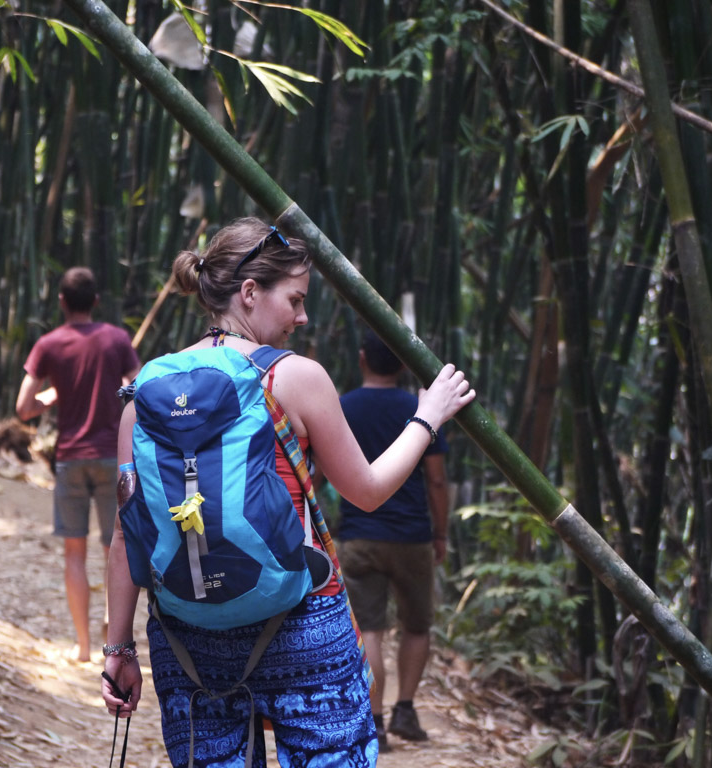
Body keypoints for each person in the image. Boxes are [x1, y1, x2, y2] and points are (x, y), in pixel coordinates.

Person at [101, 217, 474, 767]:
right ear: (249, 293)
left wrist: (118, 650)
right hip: (301, 626)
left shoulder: (146, 391)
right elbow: (367, 491)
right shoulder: (295, 378)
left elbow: (124, 535)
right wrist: (427, 416)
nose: (303, 317)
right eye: (295, 299)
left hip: (189, 641)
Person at [16, 266, 142, 663]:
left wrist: (51, 397)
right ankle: (113, 640)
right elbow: (140, 390)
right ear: (96, 302)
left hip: (70, 457)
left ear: (61, 302)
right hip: (113, 457)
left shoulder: (49, 344)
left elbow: (23, 409)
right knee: (114, 549)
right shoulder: (116, 339)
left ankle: (83, 646)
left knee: (74, 554)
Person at [337, 328, 451, 750]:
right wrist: (441, 532)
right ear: (404, 364)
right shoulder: (422, 408)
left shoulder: (342, 406)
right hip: (411, 534)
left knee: (369, 629)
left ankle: (377, 721)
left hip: (358, 534)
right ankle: (406, 707)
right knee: (416, 625)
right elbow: (436, 481)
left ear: (362, 357)